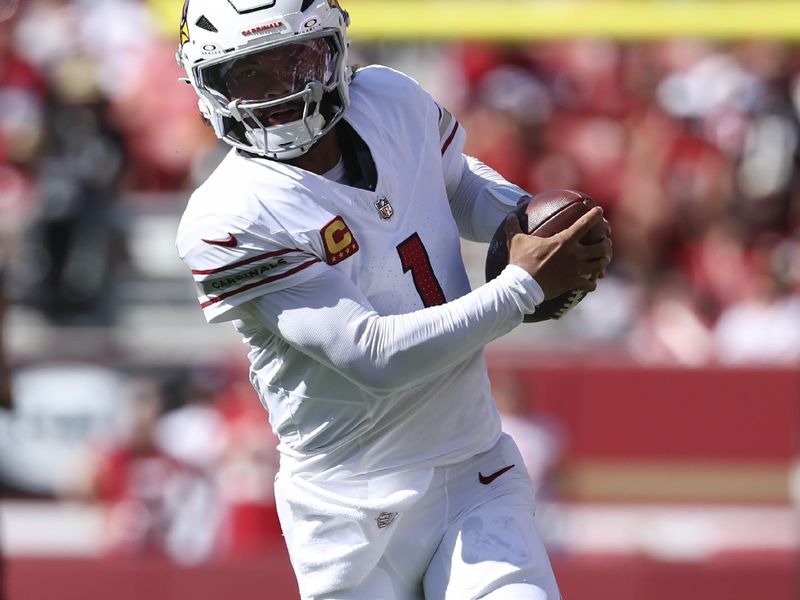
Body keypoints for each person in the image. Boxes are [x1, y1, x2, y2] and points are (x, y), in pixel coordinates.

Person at [175, 1, 611, 599]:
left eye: (296, 60)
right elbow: (372, 356)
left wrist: (529, 220)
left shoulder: (390, 100)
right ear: (212, 82)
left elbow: (456, 182)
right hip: (349, 512)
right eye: (252, 72)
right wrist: (523, 284)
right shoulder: (229, 214)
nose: (281, 88)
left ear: (332, 50)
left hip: (471, 468)